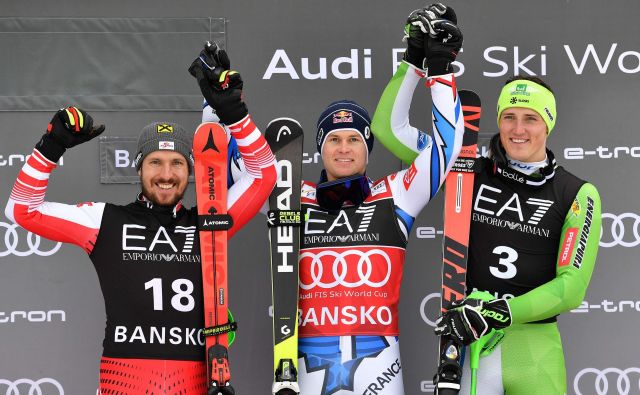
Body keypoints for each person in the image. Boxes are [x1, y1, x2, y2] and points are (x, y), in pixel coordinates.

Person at [4, 46, 277, 393]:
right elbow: (21, 210)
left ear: (190, 171)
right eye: (155, 162)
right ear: (138, 168)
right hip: (124, 383)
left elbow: (263, 174)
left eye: (177, 163)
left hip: (193, 384)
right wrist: (51, 147)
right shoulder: (104, 221)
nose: (166, 174)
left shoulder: (209, 223)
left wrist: (234, 113)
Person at [373, 5, 602, 394]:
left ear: (548, 124)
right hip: (471, 347)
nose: (517, 129)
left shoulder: (576, 192)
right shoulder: (466, 169)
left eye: (530, 118)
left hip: (534, 350)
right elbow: (389, 130)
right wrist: (414, 59)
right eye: (509, 116)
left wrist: (501, 311)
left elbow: (570, 288)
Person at [295, 8, 464, 394]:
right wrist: (222, 110)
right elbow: (241, 170)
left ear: (368, 150)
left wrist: (437, 70)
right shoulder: (295, 197)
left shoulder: (396, 193)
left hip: (380, 368)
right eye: (333, 139)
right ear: (320, 150)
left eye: (354, 138)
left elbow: (446, 147)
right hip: (307, 367)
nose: (343, 148)